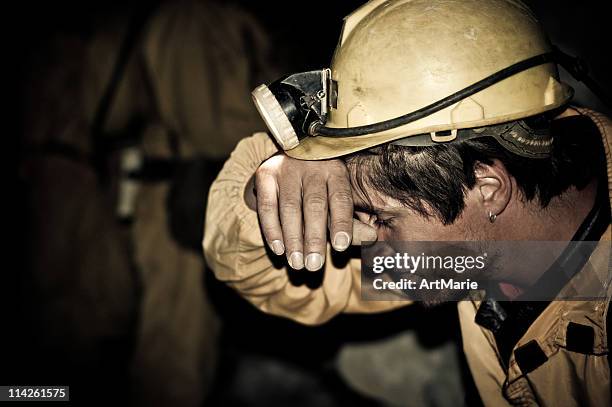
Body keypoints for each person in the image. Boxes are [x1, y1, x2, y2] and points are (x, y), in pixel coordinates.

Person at [204, 0, 611, 405]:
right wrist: (270, 191)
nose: (365, 241)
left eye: (382, 218)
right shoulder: (464, 236)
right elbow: (261, 276)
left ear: (488, 188)